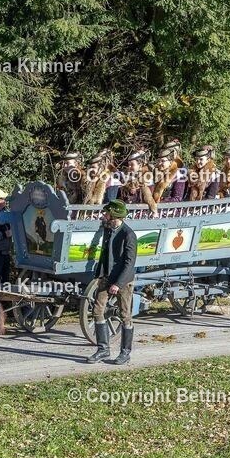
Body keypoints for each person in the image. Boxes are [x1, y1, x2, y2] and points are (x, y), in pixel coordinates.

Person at [86, 200, 137, 365]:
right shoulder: (108, 229)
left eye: (106, 213)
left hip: (122, 281)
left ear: (114, 215)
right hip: (106, 278)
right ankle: (103, 349)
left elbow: (129, 263)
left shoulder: (129, 235)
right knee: (97, 311)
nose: (104, 215)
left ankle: (125, 353)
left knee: (124, 315)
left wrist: (118, 284)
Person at [118, 150, 158, 214]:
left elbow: (147, 198)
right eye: (128, 165)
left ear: (140, 165)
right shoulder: (126, 178)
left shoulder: (147, 179)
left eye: (132, 165)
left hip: (142, 212)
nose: (129, 167)